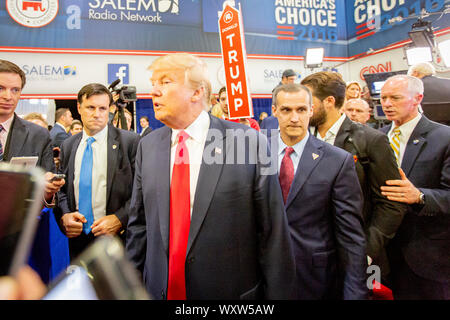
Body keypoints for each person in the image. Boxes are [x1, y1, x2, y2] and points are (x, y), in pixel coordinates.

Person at [125, 52, 296, 300]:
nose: (154, 91)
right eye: (153, 83)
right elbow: (139, 226)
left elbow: (273, 234)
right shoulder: (147, 145)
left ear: (197, 92)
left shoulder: (248, 142)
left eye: (165, 82)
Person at [301, 71, 407, 280]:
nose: (303, 108)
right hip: (312, 255)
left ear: (329, 101)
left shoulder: (371, 141)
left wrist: (366, 251)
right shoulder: (302, 138)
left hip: (356, 255)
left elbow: (391, 203)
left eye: (308, 101)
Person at [272, 83, 368, 299]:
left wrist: (355, 293)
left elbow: (351, 234)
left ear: (311, 111)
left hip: (317, 278)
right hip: (265, 276)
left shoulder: (337, 160)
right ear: (274, 111)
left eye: (301, 110)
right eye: (286, 110)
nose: (294, 118)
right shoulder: (256, 154)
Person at [379, 74, 450, 299]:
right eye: (383, 98)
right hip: (384, 254)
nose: (387, 104)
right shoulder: (376, 138)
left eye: (395, 98)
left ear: (417, 98)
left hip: (426, 255)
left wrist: (419, 196)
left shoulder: (444, 137)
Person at [55, 83, 140, 259]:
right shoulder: (68, 145)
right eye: (90, 107)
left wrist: (119, 219)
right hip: (78, 241)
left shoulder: (130, 142)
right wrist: (66, 214)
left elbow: (141, 189)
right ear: (79, 107)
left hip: (118, 240)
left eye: (102, 108)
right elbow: (61, 189)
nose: (97, 114)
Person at [0, 59, 63, 205]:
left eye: (15, 90)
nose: (8, 96)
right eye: (0, 88)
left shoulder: (38, 135)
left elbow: (47, 194)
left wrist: (48, 191)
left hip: (18, 223)